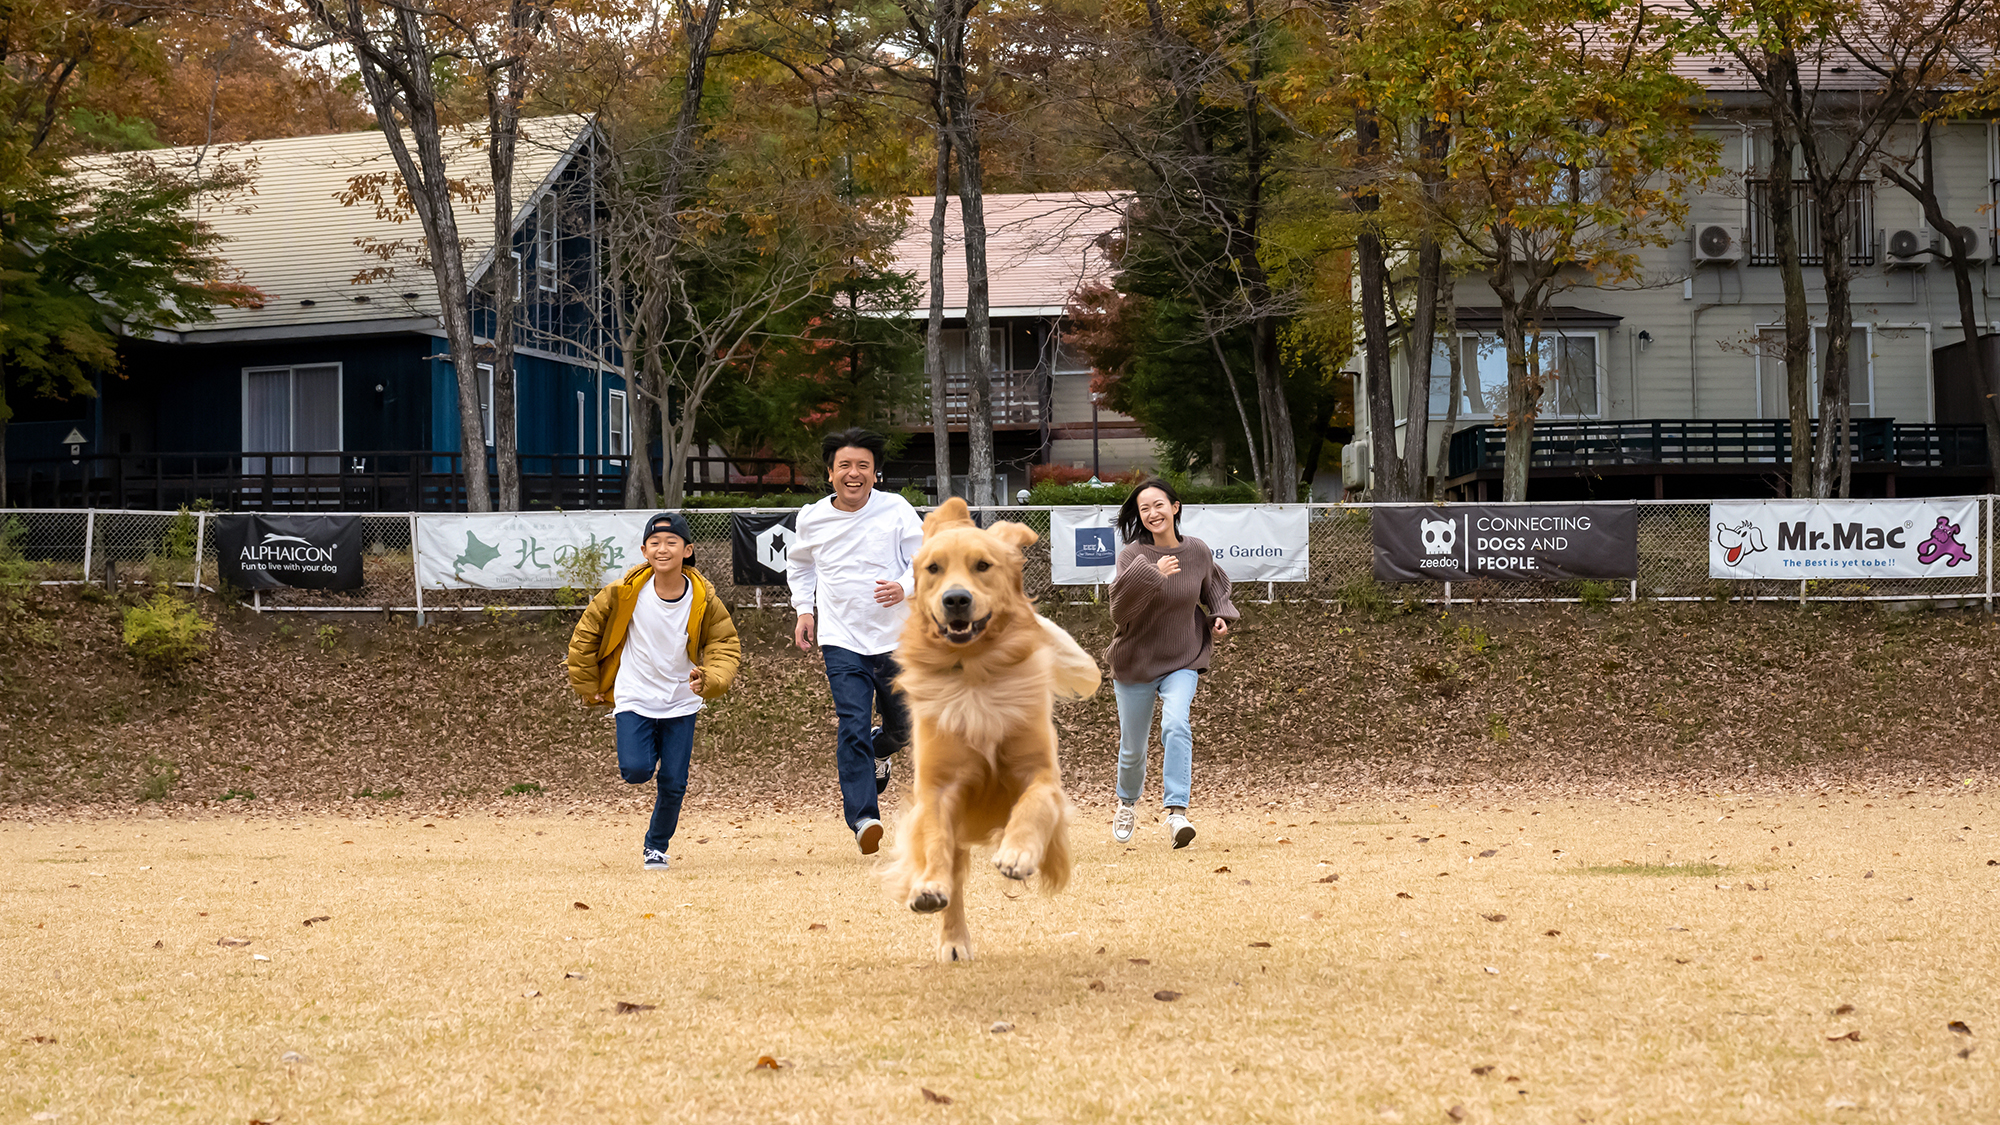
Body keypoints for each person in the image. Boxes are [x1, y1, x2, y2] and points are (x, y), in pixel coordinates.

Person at [567, 511, 741, 871]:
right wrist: (588, 685)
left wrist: (709, 680)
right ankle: (648, 756)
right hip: (635, 695)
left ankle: (656, 846)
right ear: (644, 551)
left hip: (681, 699)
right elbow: (586, 635)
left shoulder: (703, 599)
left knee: (674, 782)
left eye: (672, 542)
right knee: (635, 770)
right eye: (655, 544)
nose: (663, 549)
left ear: (687, 550)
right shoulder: (622, 593)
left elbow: (725, 644)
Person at [787, 427, 925, 855]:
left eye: (862, 465)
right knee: (852, 726)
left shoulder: (897, 509)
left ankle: (883, 751)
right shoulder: (811, 517)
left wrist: (904, 587)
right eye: (844, 465)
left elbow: (926, 562)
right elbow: (800, 565)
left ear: (875, 472)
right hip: (841, 639)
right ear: (829, 473)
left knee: (904, 726)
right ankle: (864, 817)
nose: (853, 473)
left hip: (897, 638)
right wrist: (804, 610)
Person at [1105, 477, 1237, 848]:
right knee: (1133, 747)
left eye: (1158, 505)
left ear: (1175, 507)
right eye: (1144, 508)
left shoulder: (1197, 551)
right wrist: (1152, 574)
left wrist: (1221, 615)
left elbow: (1215, 589)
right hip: (1135, 662)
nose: (1151, 513)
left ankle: (1177, 814)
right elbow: (1120, 612)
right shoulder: (1133, 556)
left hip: (1183, 657)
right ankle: (1127, 803)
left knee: (1176, 724)